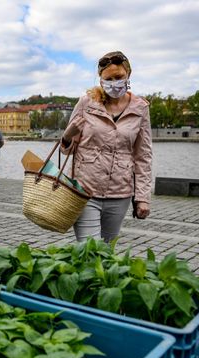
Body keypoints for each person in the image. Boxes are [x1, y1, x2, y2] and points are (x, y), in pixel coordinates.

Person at [60, 50, 152, 242]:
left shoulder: (140, 108)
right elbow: (66, 149)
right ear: (101, 80)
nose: (114, 83)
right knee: (89, 250)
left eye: (119, 77)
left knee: (107, 253)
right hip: (85, 190)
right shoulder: (87, 103)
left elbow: (143, 156)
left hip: (120, 193)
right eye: (108, 79)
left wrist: (142, 197)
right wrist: (67, 135)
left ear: (128, 75)